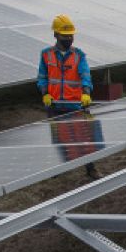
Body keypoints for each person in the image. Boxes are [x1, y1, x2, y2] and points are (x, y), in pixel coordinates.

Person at [37, 14, 97, 177]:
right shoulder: (46, 55)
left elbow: (85, 76)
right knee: (57, 137)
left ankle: (90, 168)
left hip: (76, 105)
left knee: (84, 138)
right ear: (56, 35)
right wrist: (45, 94)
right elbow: (42, 78)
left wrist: (86, 93)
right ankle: (58, 167)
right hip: (54, 105)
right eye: (65, 36)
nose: (69, 39)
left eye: (71, 35)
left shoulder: (79, 55)